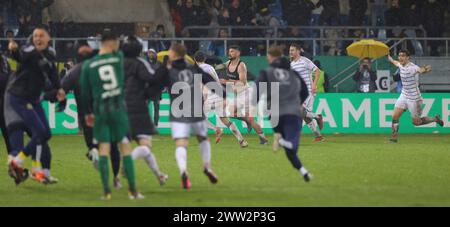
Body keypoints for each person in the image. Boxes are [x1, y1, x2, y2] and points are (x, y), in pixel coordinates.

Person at [80, 31, 143, 200]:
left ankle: (106, 192)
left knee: (103, 149)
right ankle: (132, 191)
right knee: (125, 148)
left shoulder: (88, 65)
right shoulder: (119, 58)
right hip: (118, 109)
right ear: (112, 42)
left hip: (100, 110)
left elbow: (84, 93)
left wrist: (87, 113)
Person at [153, 43, 221, 190]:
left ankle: (184, 171)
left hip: (178, 112)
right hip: (195, 109)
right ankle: (207, 167)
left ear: (172, 54)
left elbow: (155, 83)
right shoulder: (192, 68)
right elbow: (207, 79)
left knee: (181, 143)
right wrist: (223, 94)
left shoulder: (167, 70)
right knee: (203, 139)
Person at [7, 25, 65, 185]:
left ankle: (37, 170)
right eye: (35, 36)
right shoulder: (29, 51)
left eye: (41, 35)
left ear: (49, 38)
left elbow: (52, 72)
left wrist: (59, 88)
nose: (38, 38)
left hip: (33, 99)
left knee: (46, 133)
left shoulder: (50, 54)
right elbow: (19, 56)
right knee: (39, 131)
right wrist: (13, 50)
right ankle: (18, 161)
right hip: (19, 97)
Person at [61, 42, 123, 188]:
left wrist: (51, 97)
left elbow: (61, 90)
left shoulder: (74, 72)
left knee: (93, 145)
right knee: (114, 146)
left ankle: (94, 153)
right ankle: (116, 178)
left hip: (87, 117)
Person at [253, 46, 313, 182]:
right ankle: (281, 140)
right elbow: (305, 92)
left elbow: (256, 91)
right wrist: (298, 103)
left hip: (274, 114)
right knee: (292, 145)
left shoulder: (266, 72)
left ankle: (304, 172)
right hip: (292, 112)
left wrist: (253, 105)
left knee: (289, 148)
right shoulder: (294, 73)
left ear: (270, 56)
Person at [121, 36, 168, 186]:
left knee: (123, 145)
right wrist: (164, 68)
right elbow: (151, 78)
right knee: (145, 145)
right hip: (137, 108)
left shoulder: (116, 64)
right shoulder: (139, 63)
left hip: (119, 107)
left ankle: (160, 176)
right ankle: (127, 164)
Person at [387, 50, 444, 143]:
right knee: (395, 116)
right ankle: (393, 138)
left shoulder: (412, 67)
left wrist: (425, 69)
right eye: (399, 55)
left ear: (408, 57)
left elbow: (420, 70)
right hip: (404, 95)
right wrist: (390, 59)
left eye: (403, 56)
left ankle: (434, 119)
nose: (400, 57)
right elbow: (395, 62)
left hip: (414, 99)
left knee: (416, 122)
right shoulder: (400, 64)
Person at [194, 50, 248, 148]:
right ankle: (241, 140)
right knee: (225, 120)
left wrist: (203, 97)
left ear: (195, 60)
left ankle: (216, 129)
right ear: (204, 59)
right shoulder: (210, 67)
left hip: (210, 96)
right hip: (220, 95)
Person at [223, 45, 268, 145]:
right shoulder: (228, 63)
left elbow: (242, 82)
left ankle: (263, 139)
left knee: (251, 118)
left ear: (238, 53)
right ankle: (247, 121)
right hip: (237, 96)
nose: (230, 53)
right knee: (231, 113)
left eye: (232, 51)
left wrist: (226, 81)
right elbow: (219, 67)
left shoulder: (241, 65)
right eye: (229, 51)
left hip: (246, 94)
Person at [289, 43, 325, 142]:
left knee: (300, 112)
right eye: (290, 50)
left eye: (292, 50)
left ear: (298, 51)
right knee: (303, 115)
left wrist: (314, 84)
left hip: (308, 90)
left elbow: (317, 71)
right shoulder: (291, 64)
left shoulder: (305, 61)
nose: (290, 52)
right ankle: (318, 134)